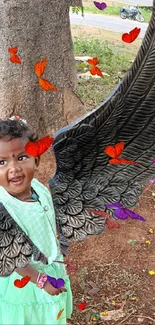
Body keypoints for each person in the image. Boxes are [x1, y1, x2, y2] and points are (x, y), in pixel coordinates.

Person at [0, 117, 72, 325]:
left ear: (37, 160)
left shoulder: (39, 188)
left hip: (49, 261)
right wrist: (41, 281)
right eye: (2, 162)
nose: (14, 169)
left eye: (22, 158)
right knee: (29, 316)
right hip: (23, 278)